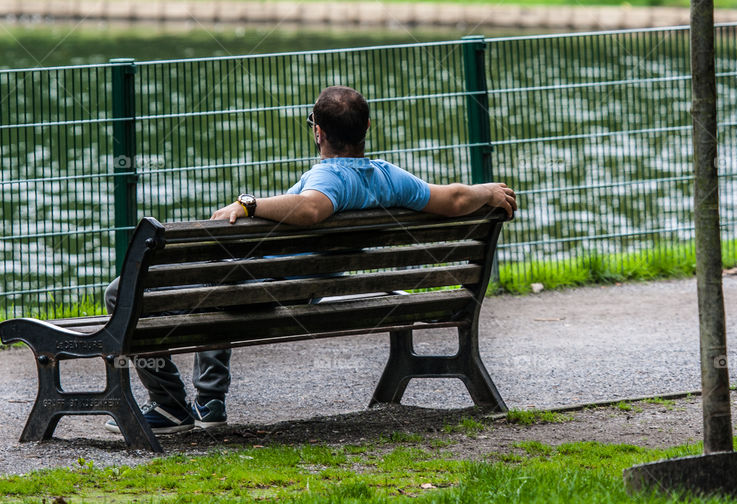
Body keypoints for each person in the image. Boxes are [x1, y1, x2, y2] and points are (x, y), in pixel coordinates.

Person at [105, 85, 516, 435]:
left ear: (318, 132)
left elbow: (311, 209)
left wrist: (248, 203)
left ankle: (169, 404)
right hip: (303, 293)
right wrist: (487, 192)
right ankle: (208, 406)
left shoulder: (329, 178)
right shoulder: (389, 177)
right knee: (223, 289)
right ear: (367, 128)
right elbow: (454, 199)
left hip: (273, 292)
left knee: (122, 292)